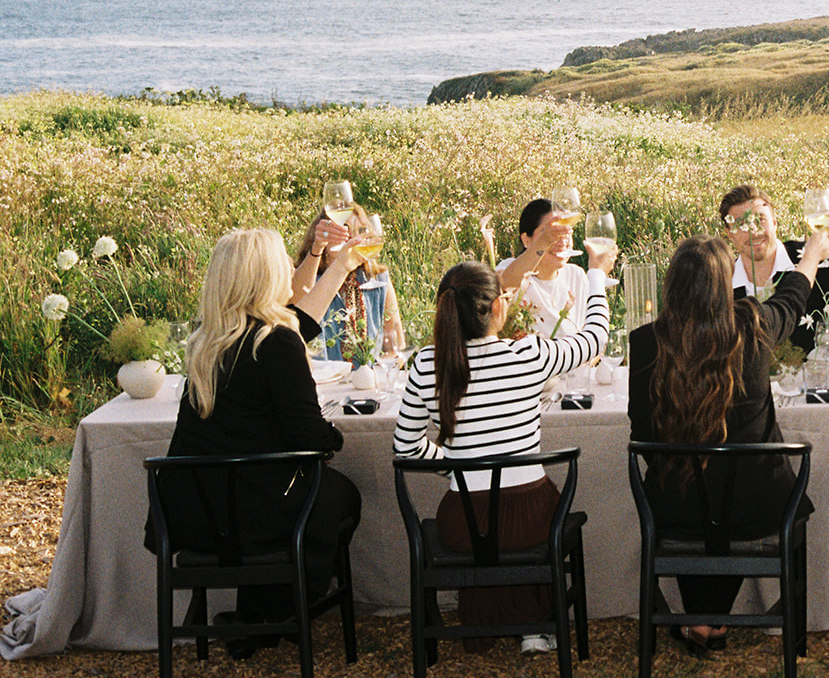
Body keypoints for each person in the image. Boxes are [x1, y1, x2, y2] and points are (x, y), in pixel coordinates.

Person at [143, 228, 366, 659]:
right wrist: (335, 434)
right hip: (253, 514)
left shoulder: (207, 342)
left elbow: (300, 325)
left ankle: (258, 615)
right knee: (343, 495)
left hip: (194, 513)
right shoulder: (275, 342)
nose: (289, 267)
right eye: (283, 260)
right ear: (263, 274)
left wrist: (339, 265)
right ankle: (283, 608)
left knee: (281, 490)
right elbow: (308, 435)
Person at [392, 237, 618, 654]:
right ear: (498, 308)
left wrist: (459, 466)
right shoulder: (527, 355)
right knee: (523, 521)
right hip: (533, 517)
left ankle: (493, 622)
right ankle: (535, 625)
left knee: (490, 529)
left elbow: (406, 450)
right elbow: (594, 339)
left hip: (462, 523)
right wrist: (597, 276)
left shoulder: (425, 364)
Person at [628, 229, 829, 655]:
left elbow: (642, 432)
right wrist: (811, 255)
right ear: (725, 286)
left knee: (693, 484)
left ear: (671, 285)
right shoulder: (751, 327)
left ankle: (703, 621)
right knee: (723, 488)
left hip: (672, 509)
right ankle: (709, 621)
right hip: (758, 508)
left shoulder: (646, 341)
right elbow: (792, 300)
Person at [719, 183, 829, 353]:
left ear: (774, 222)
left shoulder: (812, 257)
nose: (754, 231)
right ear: (729, 234)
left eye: (760, 219)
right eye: (742, 224)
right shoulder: (721, 285)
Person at [290, 203, 404, 360]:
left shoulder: (378, 279)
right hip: (320, 381)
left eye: (360, 231)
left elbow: (396, 346)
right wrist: (317, 247)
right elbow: (294, 310)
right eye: (344, 229)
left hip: (367, 382)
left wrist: (375, 373)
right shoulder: (309, 277)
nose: (352, 237)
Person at [493, 198, 589, 339]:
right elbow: (503, 285)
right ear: (526, 239)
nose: (561, 240)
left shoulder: (576, 276)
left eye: (566, 232)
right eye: (551, 232)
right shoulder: (511, 268)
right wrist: (544, 242)